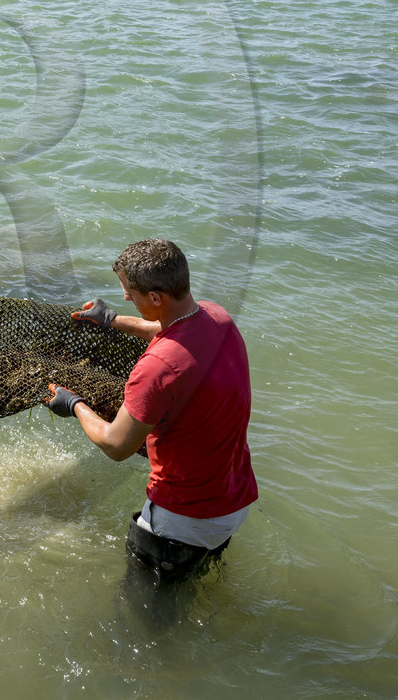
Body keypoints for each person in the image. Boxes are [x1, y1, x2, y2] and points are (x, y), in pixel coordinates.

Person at [43, 238, 257, 583]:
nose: (126, 297)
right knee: (193, 587)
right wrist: (111, 320)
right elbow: (167, 328)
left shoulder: (157, 369)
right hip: (235, 499)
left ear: (155, 298)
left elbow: (116, 445)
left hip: (184, 519)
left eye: (130, 292)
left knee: (144, 619)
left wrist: (74, 404)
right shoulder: (216, 317)